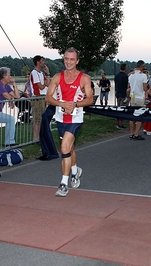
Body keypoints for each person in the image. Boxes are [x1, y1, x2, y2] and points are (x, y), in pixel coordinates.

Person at [45, 47, 93, 197]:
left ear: (77, 61)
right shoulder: (57, 77)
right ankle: (75, 171)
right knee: (69, 149)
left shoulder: (84, 78)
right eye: (66, 59)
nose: (69, 62)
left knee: (64, 147)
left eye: (72, 59)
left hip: (76, 119)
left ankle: (63, 184)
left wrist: (75, 105)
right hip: (60, 118)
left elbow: (90, 99)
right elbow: (48, 98)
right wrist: (62, 104)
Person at [30, 55, 50, 142]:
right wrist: (45, 84)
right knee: (37, 119)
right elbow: (41, 87)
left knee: (41, 118)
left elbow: (48, 84)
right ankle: (35, 138)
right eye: (42, 61)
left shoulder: (41, 73)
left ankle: (39, 137)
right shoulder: (34, 73)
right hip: (37, 97)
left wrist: (48, 73)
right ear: (38, 62)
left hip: (42, 97)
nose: (44, 62)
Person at [128, 60, 148, 140]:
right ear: (142, 67)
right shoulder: (143, 76)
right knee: (139, 116)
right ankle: (136, 134)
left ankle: (131, 133)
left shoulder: (131, 75)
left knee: (132, 116)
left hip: (132, 97)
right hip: (140, 97)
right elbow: (145, 88)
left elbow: (129, 87)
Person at [114, 63, 129, 129]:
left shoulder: (116, 76)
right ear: (125, 68)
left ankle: (118, 122)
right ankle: (120, 123)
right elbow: (127, 86)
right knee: (122, 109)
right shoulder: (125, 76)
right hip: (123, 94)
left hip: (118, 93)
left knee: (118, 108)